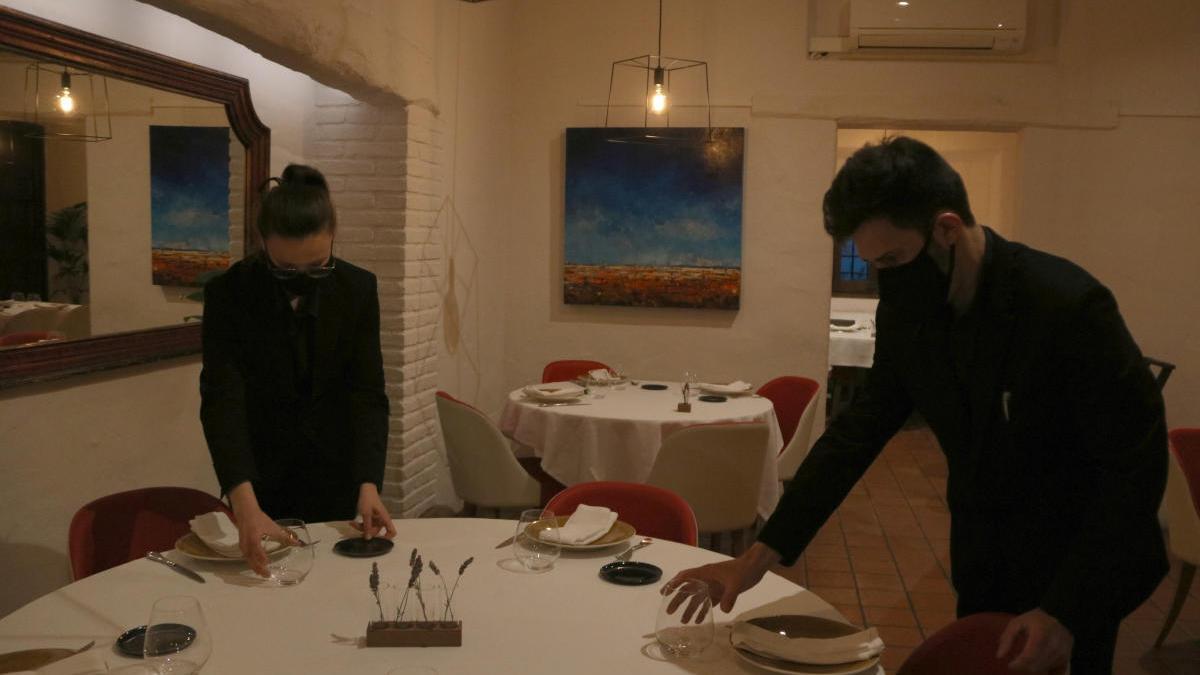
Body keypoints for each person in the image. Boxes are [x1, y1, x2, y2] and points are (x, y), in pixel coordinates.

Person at [666, 137, 1168, 674]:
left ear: (946, 229)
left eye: (894, 259)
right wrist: (755, 559)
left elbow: (1135, 468)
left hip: (1083, 557)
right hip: (985, 551)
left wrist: (1066, 610)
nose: (888, 279)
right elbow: (857, 433)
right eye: (874, 263)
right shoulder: (910, 314)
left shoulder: (1066, 305)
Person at [200, 164, 396, 576]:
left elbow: (367, 392)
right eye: (286, 271)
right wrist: (243, 501)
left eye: (318, 268)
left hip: (337, 470)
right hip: (259, 476)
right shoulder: (229, 294)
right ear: (262, 243)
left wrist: (368, 481)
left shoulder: (358, 288)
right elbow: (222, 398)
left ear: (333, 238)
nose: (302, 281)